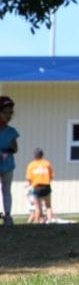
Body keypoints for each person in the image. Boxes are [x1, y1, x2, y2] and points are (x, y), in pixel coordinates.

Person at [0, 96, 19, 226]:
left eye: (10, 113)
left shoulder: (11, 131)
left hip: (7, 164)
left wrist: (7, 151)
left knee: (6, 189)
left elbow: (15, 147)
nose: (8, 116)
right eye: (5, 113)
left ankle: (7, 215)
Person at [24, 148, 55, 224]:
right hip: (46, 186)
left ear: (34, 156)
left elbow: (29, 178)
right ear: (42, 155)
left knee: (37, 207)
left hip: (37, 187)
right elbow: (51, 176)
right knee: (48, 206)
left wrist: (30, 184)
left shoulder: (31, 165)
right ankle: (50, 221)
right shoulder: (47, 164)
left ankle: (37, 222)